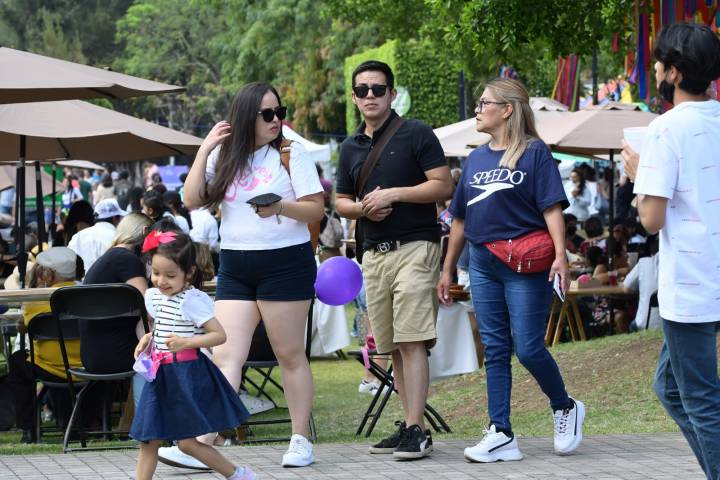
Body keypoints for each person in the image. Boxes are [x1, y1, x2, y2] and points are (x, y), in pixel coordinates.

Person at [172, 81, 323, 469]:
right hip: (237, 264)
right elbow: (191, 199)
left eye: (279, 112)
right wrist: (204, 149)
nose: (276, 120)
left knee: (288, 353)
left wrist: (280, 208)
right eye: (267, 114)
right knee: (225, 353)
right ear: (245, 117)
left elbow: (315, 210)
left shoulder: (291, 153)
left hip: (285, 262)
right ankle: (205, 441)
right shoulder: (225, 155)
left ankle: (300, 438)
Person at [437, 78, 584, 463]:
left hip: (525, 262)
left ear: (507, 110)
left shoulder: (535, 153)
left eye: (484, 103)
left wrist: (561, 255)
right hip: (482, 262)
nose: (477, 109)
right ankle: (500, 431)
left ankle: (565, 406)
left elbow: (552, 208)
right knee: (496, 348)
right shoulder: (474, 160)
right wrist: (448, 268)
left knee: (529, 347)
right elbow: (459, 219)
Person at [335, 60, 453, 460]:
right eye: (362, 90)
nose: (370, 95)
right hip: (374, 253)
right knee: (392, 346)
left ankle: (417, 430)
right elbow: (341, 201)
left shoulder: (416, 132)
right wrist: (363, 209)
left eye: (378, 89)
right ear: (354, 97)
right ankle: (410, 424)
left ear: (392, 94)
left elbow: (443, 185)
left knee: (411, 338)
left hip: (415, 246)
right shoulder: (350, 146)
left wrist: (394, 194)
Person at [622, 23, 720, 480]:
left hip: (691, 284)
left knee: (700, 400)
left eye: (659, 64)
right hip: (707, 277)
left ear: (675, 73)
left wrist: (639, 173)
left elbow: (651, 219)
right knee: (670, 388)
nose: (656, 70)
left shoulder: (664, 129)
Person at [130, 230, 254, 480]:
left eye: (170, 275)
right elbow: (165, 328)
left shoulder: (192, 301)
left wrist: (187, 342)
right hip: (160, 374)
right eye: (156, 273)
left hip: (185, 375)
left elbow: (219, 335)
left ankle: (238, 474)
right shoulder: (155, 297)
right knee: (149, 438)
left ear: (189, 273)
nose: (161, 281)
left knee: (187, 444)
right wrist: (149, 338)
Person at [6, 248, 81, 443]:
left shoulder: (36, 301)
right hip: (85, 366)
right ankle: (71, 423)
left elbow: (22, 326)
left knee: (17, 361)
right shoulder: (86, 296)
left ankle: (28, 428)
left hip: (49, 367)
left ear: (48, 274)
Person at [82, 212, 153, 390]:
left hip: (91, 356)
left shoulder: (106, 259)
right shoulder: (127, 260)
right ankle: (148, 403)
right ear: (145, 231)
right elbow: (149, 309)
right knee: (162, 348)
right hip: (122, 354)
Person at [67, 198, 126, 272]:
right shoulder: (118, 238)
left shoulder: (77, 237)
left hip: (79, 279)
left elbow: (68, 262)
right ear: (114, 219)